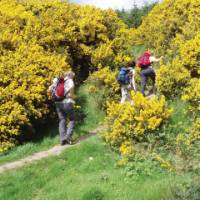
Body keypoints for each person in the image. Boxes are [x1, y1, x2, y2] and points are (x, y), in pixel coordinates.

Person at [49, 71, 75, 145]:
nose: (73, 78)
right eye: (73, 77)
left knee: (62, 119)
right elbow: (72, 94)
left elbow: (50, 89)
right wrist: (73, 98)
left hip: (58, 103)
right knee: (72, 119)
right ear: (70, 75)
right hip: (67, 102)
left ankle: (62, 139)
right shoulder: (70, 81)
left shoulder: (57, 80)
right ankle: (68, 137)